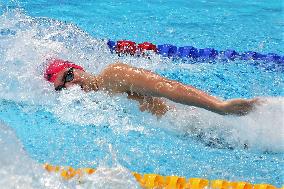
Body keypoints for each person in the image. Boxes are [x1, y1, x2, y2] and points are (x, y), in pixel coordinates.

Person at [44, 58, 259, 117]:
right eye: (62, 88)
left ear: (78, 68)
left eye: (69, 75)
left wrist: (218, 106)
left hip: (200, 122)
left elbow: (167, 87)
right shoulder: (92, 105)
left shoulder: (113, 76)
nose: (71, 85)